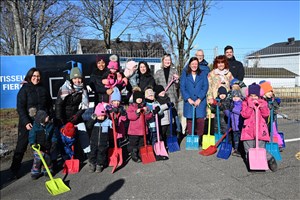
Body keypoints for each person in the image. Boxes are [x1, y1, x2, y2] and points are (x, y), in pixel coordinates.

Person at [10, 67, 53, 178]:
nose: (36, 78)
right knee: (21, 146)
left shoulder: (43, 89)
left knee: (43, 145)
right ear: (29, 77)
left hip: (41, 123)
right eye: (34, 76)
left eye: (38, 76)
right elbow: (20, 108)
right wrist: (25, 122)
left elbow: (49, 105)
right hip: (27, 123)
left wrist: (50, 116)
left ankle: (45, 168)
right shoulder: (24, 90)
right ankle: (14, 171)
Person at [55, 67, 90, 161]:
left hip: (76, 116)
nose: (77, 81)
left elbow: (85, 105)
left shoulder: (83, 88)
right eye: (75, 78)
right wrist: (61, 120)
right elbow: (58, 105)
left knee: (83, 132)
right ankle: (65, 156)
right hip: (64, 117)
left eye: (79, 78)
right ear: (71, 79)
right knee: (64, 137)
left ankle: (88, 153)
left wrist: (77, 115)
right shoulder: (64, 88)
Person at [240, 83, 277, 172]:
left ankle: (270, 159)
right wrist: (250, 106)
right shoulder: (245, 103)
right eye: (251, 95)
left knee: (261, 149)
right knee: (248, 149)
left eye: (255, 95)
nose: (253, 97)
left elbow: (266, 114)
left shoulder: (263, 102)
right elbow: (245, 115)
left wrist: (262, 106)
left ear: (259, 95)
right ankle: (251, 164)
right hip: (248, 130)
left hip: (260, 130)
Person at [180, 57, 209, 145]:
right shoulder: (185, 74)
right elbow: (182, 87)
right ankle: (191, 135)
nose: (194, 65)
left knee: (200, 120)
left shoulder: (202, 74)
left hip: (200, 101)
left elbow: (205, 86)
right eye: (192, 64)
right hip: (189, 101)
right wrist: (188, 98)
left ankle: (199, 138)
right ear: (189, 65)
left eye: (196, 64)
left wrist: (199, 98)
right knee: (190, 120)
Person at [206, 55, 233, 135]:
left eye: (222, 63)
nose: (220, 64)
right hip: (215, 100)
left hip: (225, 100)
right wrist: (210, 97)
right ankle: (215, 137)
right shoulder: (212, 74)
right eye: (219, 63)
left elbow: (233, 86)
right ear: (216, 64)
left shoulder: (229, 74)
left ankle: (226, 138)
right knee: (215, 120)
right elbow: (209, 87)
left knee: (224, 120)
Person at [29, 110, 56, 179]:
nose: (48, 117)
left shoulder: (50, 125)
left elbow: (53, 135)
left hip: (47, 146)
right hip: (38, 147)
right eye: (46, 116)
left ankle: (47, 170)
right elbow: (31, 136)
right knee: (38, 160)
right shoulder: (35, 127)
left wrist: (54, 142)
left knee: (48, 159)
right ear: (41, 118)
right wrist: (33, 143)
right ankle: (35, 172)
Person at [127, 91, 152, 162]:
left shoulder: (145, 106)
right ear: (135, 99)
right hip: (134, 131)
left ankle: (141, 155)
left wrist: (147, 112)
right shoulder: (131, 107)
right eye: (138, 98)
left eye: (141, 98)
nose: (140, 99)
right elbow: (130, 117)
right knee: (134, 144)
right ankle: (134, 154)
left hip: (143, 130)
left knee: (142, 143)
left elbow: (148, 117)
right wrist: (136, 112)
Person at [86, 102, 112, 173]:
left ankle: (99, 165)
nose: (100, 117)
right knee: (92, 153)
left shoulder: (107, 121)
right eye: (99, 116)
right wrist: (92, 119)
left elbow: (114, 126)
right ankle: (92, 164)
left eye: (102, 115)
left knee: (101, 154)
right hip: (94, 141)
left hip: (103, 142)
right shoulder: (94, 122)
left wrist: (114, 118)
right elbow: (88, 126)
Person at [259, 81, 283, 150]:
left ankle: (277, 144)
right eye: (268, 91)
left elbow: (276, 107)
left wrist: (275, 104)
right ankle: (264, 144)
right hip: (264, 121)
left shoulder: (272, 100)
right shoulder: (262, 100)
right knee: (265, 132)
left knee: (273, 132)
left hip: (272, 119)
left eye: (271, 91)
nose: (270, 93)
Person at [229, 90, 244, 157]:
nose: (235, 98)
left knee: (240, 137)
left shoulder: (241, 104)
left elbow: (240, 112)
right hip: (234, 126)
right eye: (234, 96)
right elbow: (229, 114)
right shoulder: (232, 104)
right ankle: (236, 149)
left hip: (239, 125)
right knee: (235, 138)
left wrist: (233, 110)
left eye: (237, 97)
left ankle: (241, 149)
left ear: (240, 97)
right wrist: (228, 110)